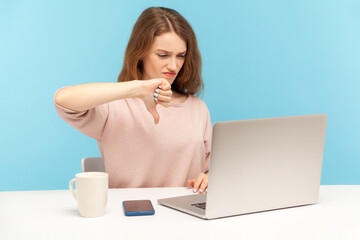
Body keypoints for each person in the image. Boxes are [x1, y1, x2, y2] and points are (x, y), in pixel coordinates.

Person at [54, 7, 211, 194]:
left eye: (181, 56)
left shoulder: (197, 108)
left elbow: (213, 170)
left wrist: (209, 179)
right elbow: (62, 100)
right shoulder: (115, 106)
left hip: (186, 215)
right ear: (140, 53)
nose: (173, 65)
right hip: (130, 216)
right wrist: (137, 88)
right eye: (163, 55)